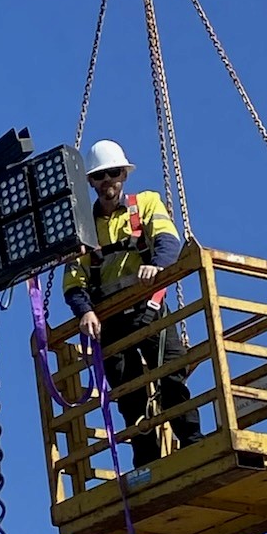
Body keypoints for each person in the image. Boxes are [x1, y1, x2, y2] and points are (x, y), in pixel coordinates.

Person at [64, 140, 201, 469]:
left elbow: (169, 241)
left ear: (124, 175)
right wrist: (85, 311)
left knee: (171, 380)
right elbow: (73, 282)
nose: (107, 182)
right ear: (91, 182)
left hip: (150, 310)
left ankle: (193, 443)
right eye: (100, 176)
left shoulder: (145, 204)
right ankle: (147, 460)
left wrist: (158, 265)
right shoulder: (82, 226)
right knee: (128, 393)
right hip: (111, 322)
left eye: (113, 174)